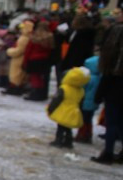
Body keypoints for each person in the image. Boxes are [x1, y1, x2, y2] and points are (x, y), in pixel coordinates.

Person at [92, 23, 123, 164]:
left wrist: (98, 96)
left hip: (114, 93)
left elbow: (107, 77)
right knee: (120, 124)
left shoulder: (114, 57)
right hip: (115, 91)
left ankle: (108, 153)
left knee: (112, 123)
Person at [47, 66, 90, 149]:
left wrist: (50, 108)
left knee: (60, 127)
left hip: (63, 111)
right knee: (68, 127)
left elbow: (57, 99)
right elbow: (81, 102)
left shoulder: (64, 88)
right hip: (74, 111)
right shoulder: (81, 90)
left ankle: (58, 140)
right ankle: (68, 141)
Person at [23, 20, 54, 102]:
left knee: (35, 77)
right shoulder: (50, 37)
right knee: (41, 77)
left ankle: (35, 93)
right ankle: (41, 93)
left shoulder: (34, 37)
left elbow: (28, 50)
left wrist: (25, 61)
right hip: (44, 60)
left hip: (34, 59)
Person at [76, 53, 101, 145]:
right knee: (89, 119)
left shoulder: (88, 78)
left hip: (85, 102)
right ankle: (88, 134)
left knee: (83, 120)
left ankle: (82, 134)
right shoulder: (99, 78)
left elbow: (83, 89)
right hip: (93, 103)